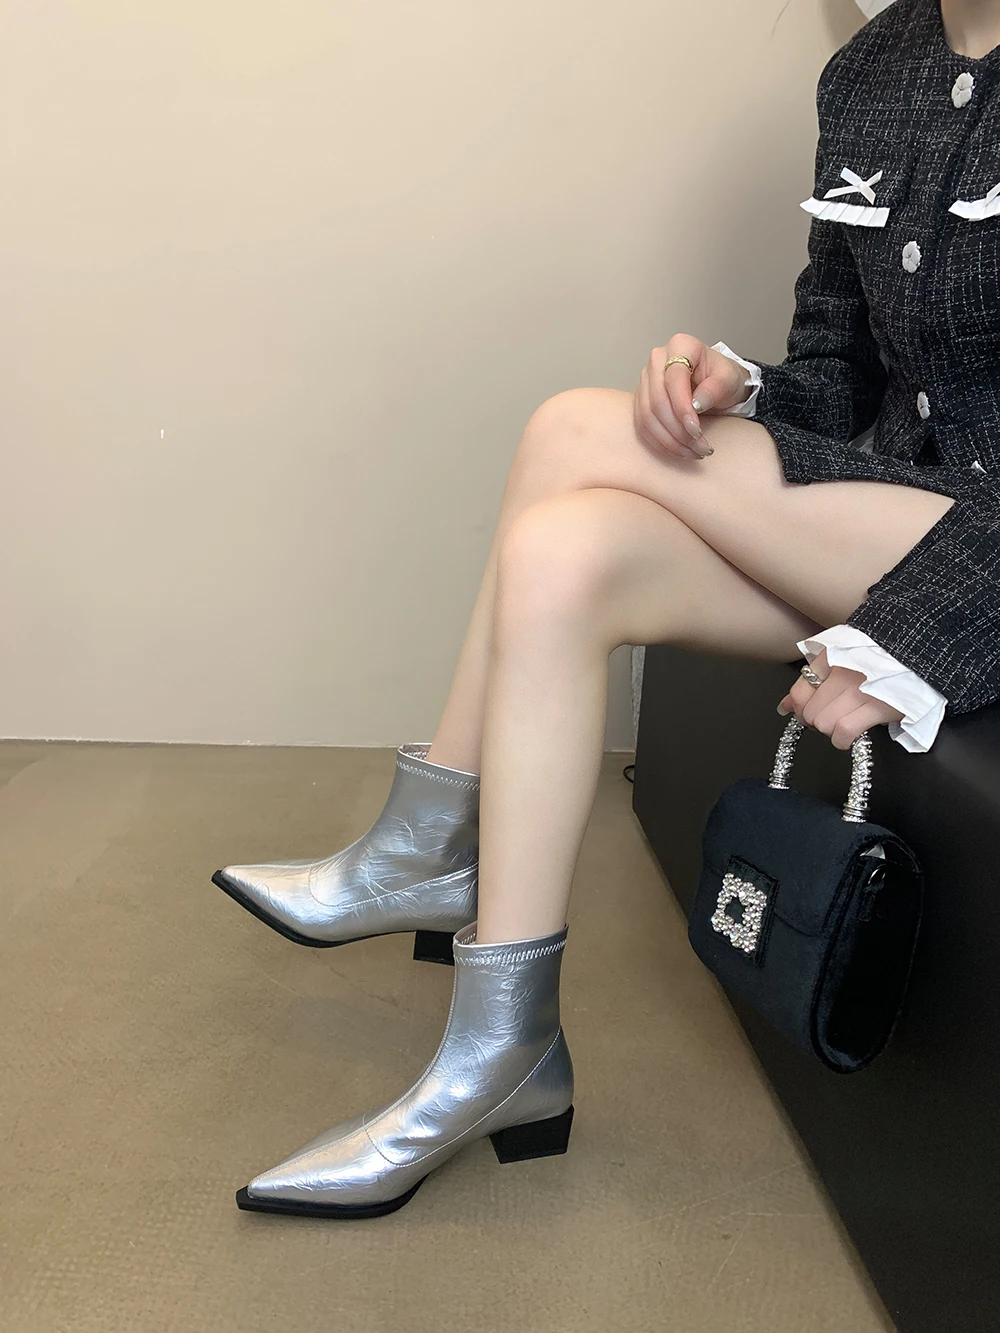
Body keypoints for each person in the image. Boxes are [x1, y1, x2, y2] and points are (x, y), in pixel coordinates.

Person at [214, 0, 1000, 1218]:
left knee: (569, 430)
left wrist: (925, 636)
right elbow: (837, 379)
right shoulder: (868, 71)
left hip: (982, 553)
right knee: (561, 549)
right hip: (886, 515)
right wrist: (741, 383)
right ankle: (504, 1047)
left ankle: (426, 848)